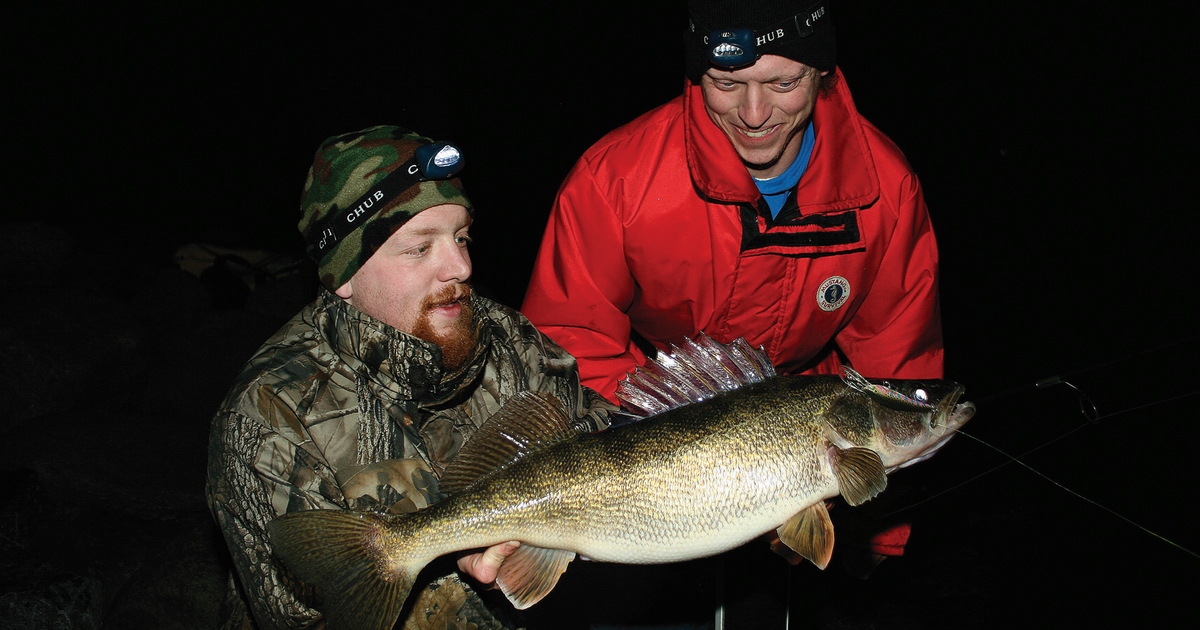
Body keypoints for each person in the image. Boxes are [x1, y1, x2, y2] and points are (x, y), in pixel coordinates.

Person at [206, 125, 614, 629]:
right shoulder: (269, 415)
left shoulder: (510, 339)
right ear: (344, 275)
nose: (460, 266)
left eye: (461, 237)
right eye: (420, 248)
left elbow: (602, 438)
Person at [521, 0, 944, 406]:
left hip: (810, 419)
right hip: (651, 406)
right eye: (727, 83)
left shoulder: (887, 188)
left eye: (783, 83)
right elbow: (571, 341)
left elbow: (896, 356)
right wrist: (652, 435)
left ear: (822, 69)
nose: (754, 114)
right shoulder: (613, 181)